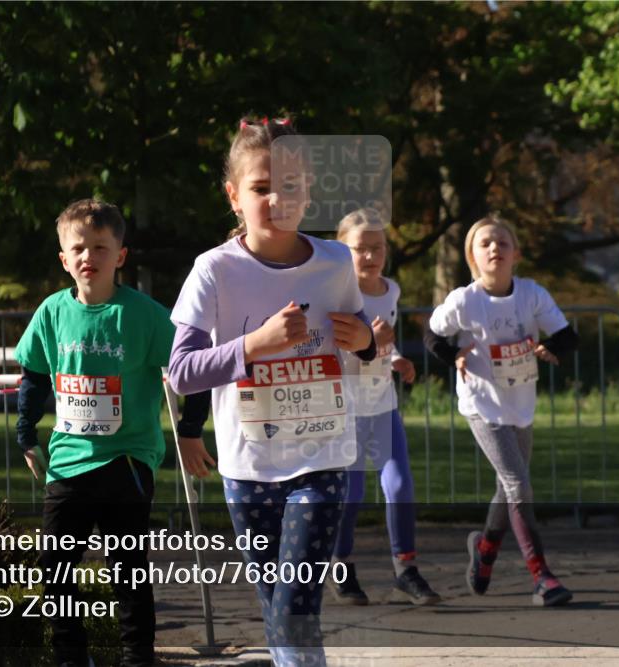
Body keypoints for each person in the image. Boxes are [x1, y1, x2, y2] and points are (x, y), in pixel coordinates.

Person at [167, 116, 376, 666]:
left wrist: (367, 341)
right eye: (261, 188)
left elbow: (357, 337)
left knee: (294, 610)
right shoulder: (213, 270)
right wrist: (254, 344)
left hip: (322, 457)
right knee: (278, 608)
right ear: (234, 196)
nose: (277, 199)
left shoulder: (336, 262)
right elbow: (182, 371)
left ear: (309, 193)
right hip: (249, 465)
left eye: (290, 187)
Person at [14, 198, 209, 667]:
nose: (89, 257)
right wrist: (26, 433)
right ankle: (70, 656)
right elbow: (35, 375)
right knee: (55, 568)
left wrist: (189, 429)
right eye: (78, 248)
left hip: (128, 461)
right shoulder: (51, 312)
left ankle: (137, 656)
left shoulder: (144, 315)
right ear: (64, 259)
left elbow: (193, 369)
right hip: (68, 461)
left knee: (128, 569)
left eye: (101, 247)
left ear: (120, 255)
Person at [427, 213, 578, 607]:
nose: (495, 248)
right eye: (485, 243)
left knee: (507, 486)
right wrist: (453, 355)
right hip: (481, 404)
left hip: (520, 404)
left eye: (503, 242)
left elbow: (566, 335)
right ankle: (541, 575)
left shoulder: (532, 295)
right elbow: (431, 334)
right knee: (517, 485)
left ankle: (485, 549)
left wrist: (552, 350)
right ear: (472, 258)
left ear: (516, 254)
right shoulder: (465, 299)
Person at [327, 208, 440, 606]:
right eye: (360, 249)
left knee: (399, 484)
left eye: (378, 248)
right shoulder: (336, 294)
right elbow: (335, 356)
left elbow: (383, 346)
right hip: (345, 408)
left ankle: (405, 570)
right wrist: (369, 342)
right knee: (351, 492)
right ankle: (341, 567)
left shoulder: (390, 290)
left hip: (382, 404)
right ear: (343, 251)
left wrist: (395, 360)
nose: (371, 256)